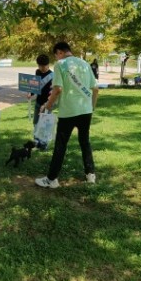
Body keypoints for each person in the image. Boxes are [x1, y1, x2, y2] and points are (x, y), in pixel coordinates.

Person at [35, 42, 99, 189]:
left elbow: (57, 89)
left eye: (56, 55)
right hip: (86, 111)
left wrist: (47, 106)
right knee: (85, 142)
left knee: (61, 145)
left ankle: (52, 179)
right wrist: (92, 107)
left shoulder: (60, 64)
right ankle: (90, 175)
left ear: (59, 52)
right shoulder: (84, 63)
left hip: (68, 112)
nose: (56, 58)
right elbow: (95, 89)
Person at [27, 54, 53, 149]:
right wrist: (31, 93)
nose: (41, 68)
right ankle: (36, 141)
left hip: (47, 104)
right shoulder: (37, 72)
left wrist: (46, 105)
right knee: (36, 122)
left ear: (48, 65)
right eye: (39, 65)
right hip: (38, 102)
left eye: (43, 66)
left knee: (44, 124)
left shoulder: (52, 76)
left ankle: (44, 144)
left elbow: (53, 93)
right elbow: (35, 86)